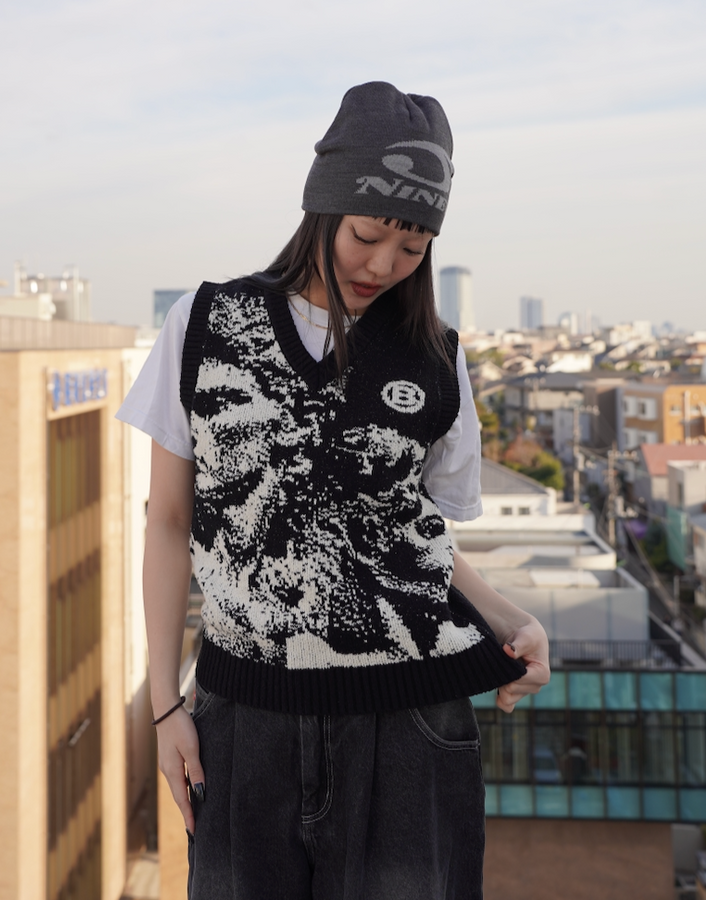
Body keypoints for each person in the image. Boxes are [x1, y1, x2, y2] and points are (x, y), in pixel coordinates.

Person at [118, 81, 550, 900]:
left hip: (411, 722)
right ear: (323, 206)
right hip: (244, 720)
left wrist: (507, 617)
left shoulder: (437, 356)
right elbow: (169, 522)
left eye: (414, 246)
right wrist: (165, 706)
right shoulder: (206, 324)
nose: (383, 264)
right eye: (367, 234)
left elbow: (413, 534)